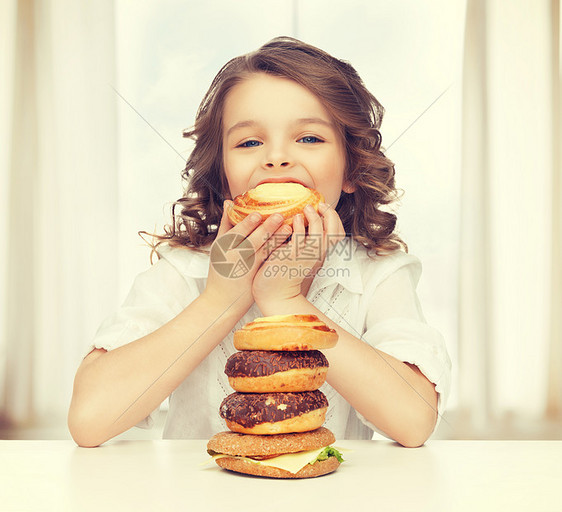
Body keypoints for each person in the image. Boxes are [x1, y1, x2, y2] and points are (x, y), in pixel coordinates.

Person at [68, 37, 451, 448]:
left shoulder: (378, 273)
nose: (277, 158)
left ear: (350, 171)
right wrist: (221, 299)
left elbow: (414, 422)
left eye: (309, 138)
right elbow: (89, 419)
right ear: (223, 175)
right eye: (250, 142)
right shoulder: (184, 270)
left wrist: (287, 302)